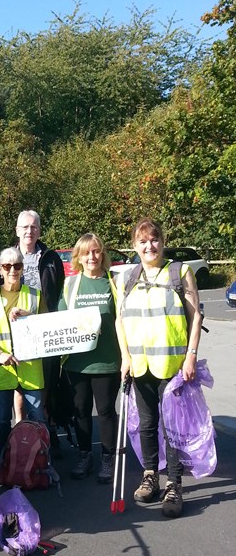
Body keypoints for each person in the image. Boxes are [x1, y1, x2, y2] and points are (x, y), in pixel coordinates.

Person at [115, 218, 202, 518]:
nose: (149, 245)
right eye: (143, 241)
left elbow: (196, 317)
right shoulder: (127, 277)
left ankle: (173, 484)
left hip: (173, 366)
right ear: (135, 246)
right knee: (147, 424)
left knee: (173, 428)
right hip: (140, 366)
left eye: (154, 239)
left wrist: (191, 355)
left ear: (163, 242)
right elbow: (120, 321)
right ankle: (150, 475)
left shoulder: (180, 272)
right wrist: (125, 357)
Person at [57, 233, 121, 483]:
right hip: (76, 362)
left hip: (107, 360)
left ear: (102, 255)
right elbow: (59, 318)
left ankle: (108, 457)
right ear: (79, 257)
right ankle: (85, 455)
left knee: (105, 411)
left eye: (96, 251)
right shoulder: (71, 284)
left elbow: (124, 320)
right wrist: (27, 316)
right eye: (86, 252)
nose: (92, 256)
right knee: (81, 410)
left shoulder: (114, 283)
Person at [0, 247, 46, 459]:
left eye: (17, 265)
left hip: (30, 367)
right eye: (7, 266)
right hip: (2, 368)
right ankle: (3, 462)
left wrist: (28, 315)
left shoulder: (35, 295)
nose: (12, 270)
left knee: (36, 417)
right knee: (2, 419)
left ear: (22, 268)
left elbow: (46, 327)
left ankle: (39, 462)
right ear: (0, 269)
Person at [14, 209, 66, 450]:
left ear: (39, 231)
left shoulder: (51, 258)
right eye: (25, 227)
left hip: (46, 329)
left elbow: (60, 293)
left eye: (33, 227)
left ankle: (45, 427)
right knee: (20, 381)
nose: (29, 231)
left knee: (46, 380)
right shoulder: (8, 257)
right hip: (16, 330)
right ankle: (19, 428)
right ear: (17, 231)